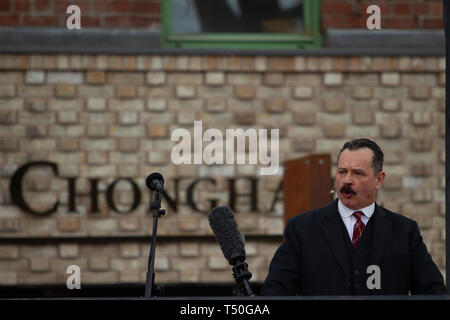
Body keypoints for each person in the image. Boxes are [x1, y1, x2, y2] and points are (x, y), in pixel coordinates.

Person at [261, 138, 447, 295]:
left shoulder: (405, 231)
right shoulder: (302, 228)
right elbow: (275, 294)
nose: (347, 180)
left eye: (358, 173)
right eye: (342, 172)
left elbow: (433, 293)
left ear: (379, 179)